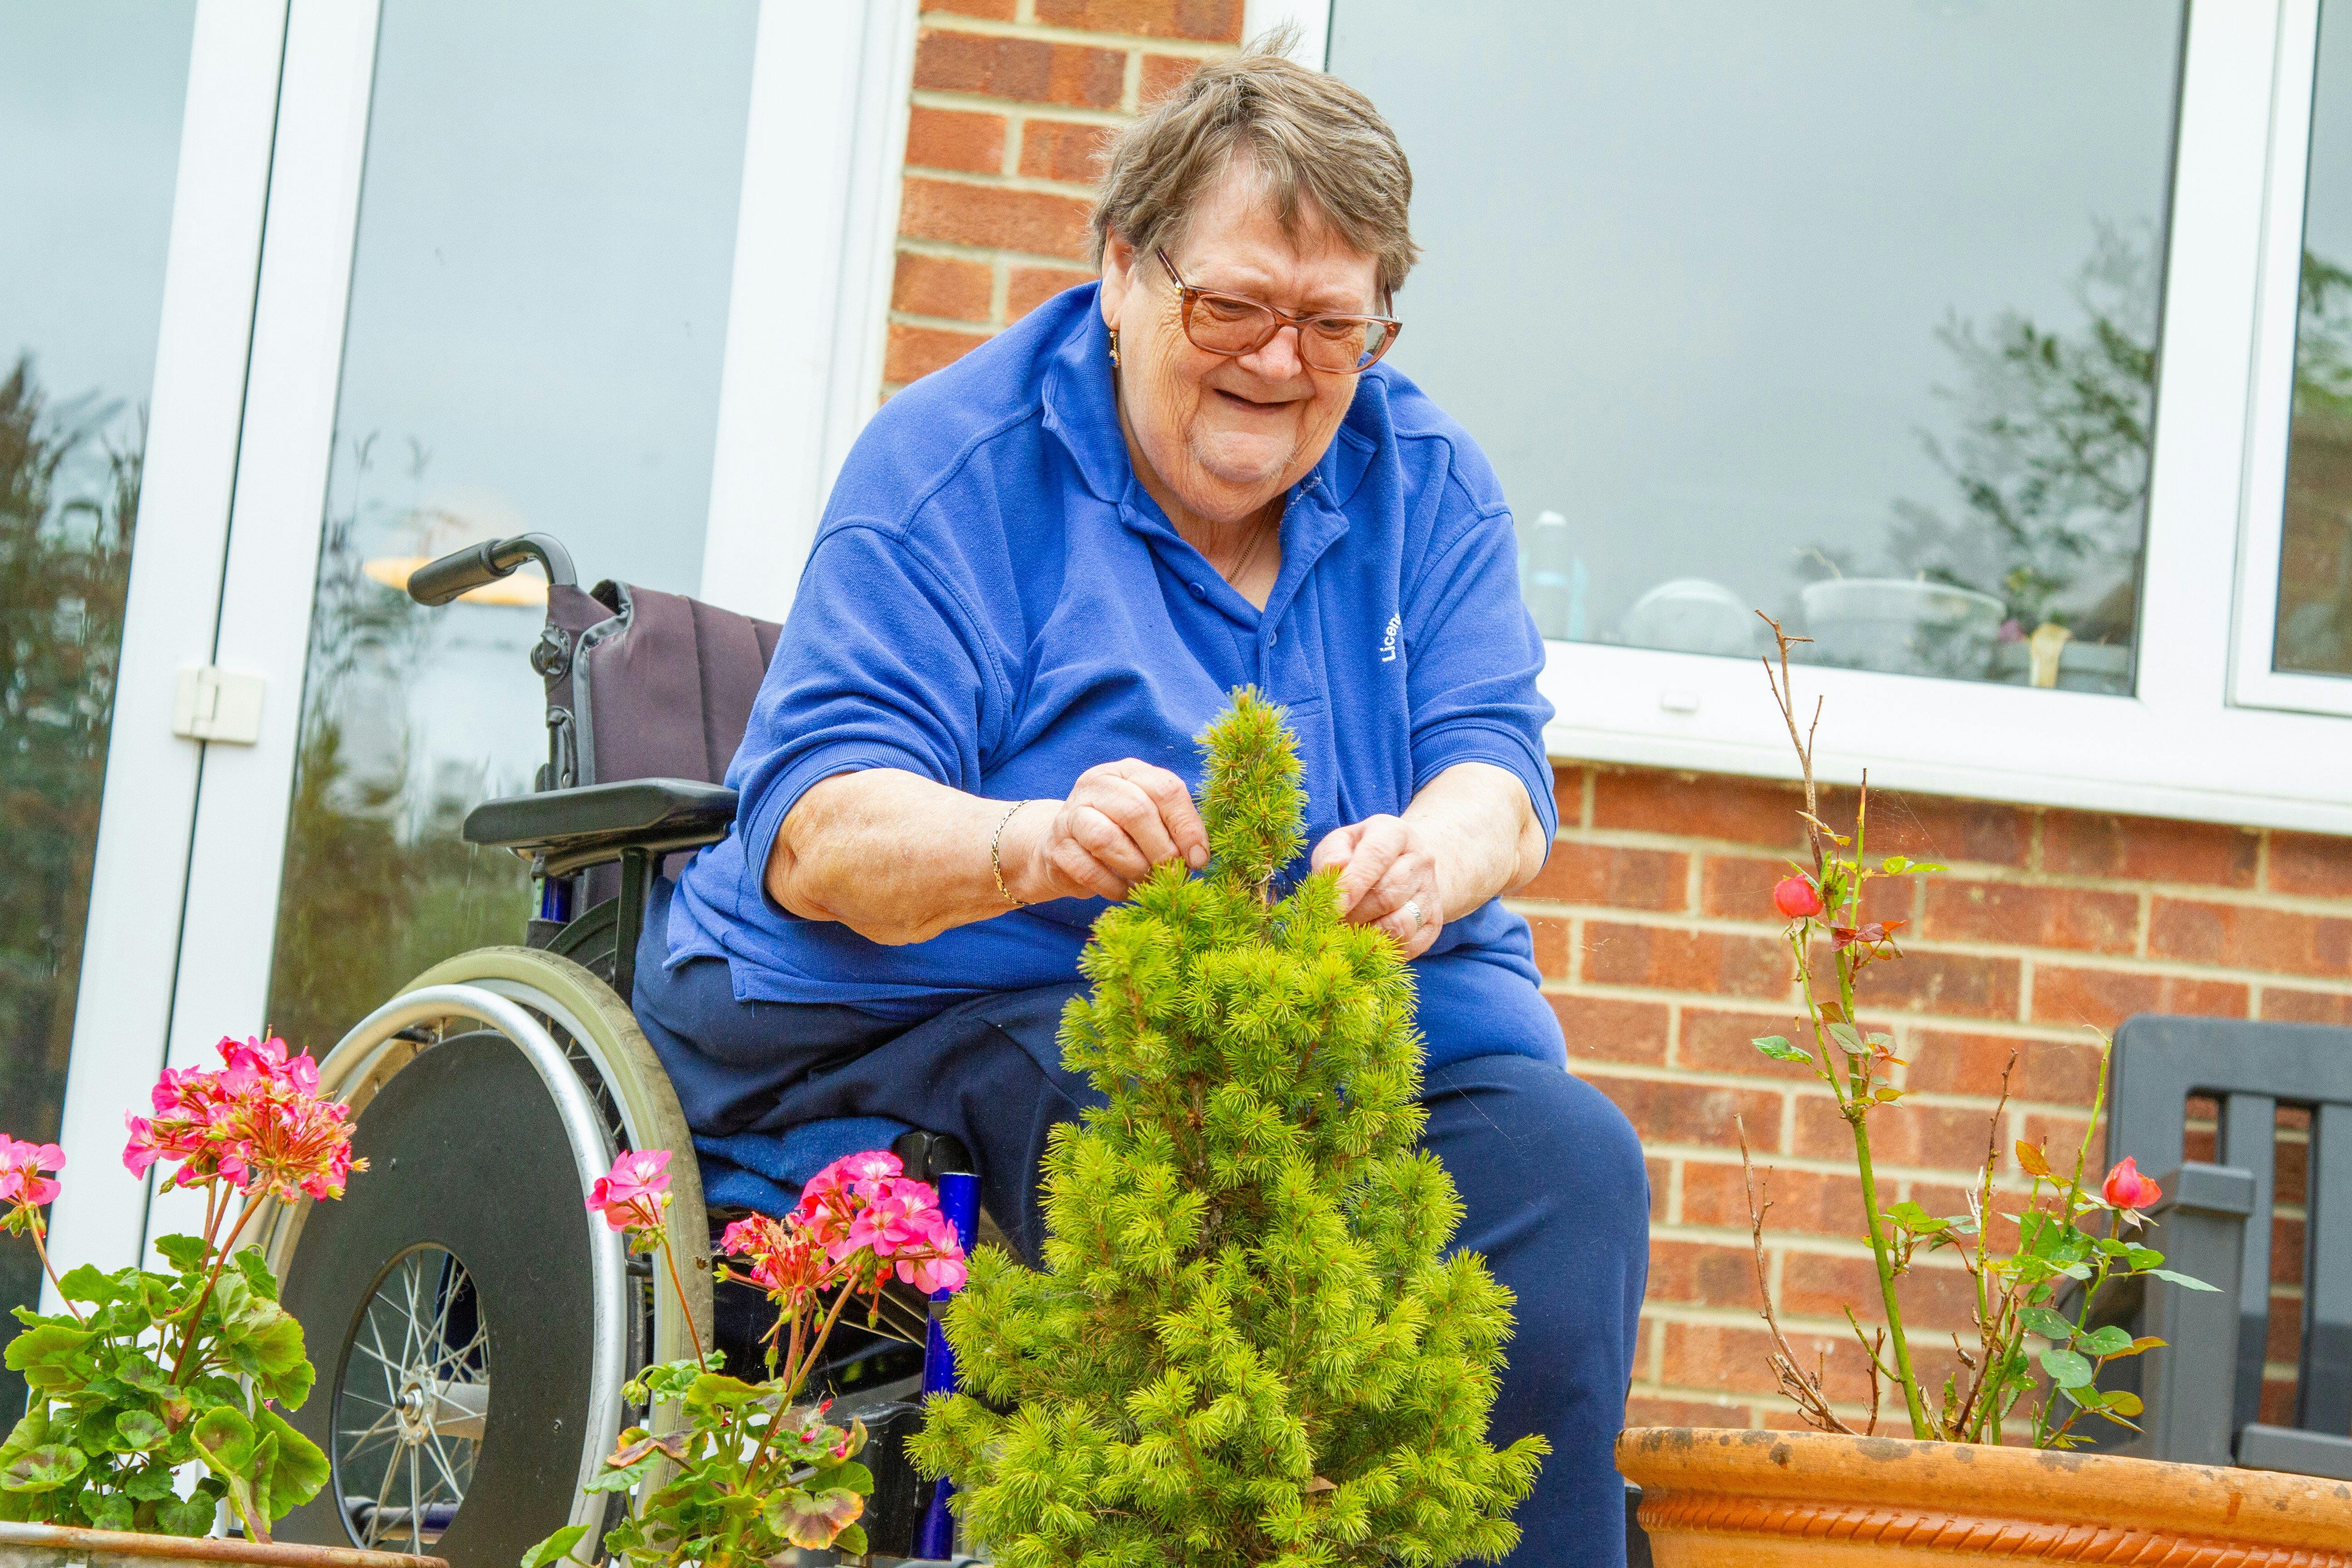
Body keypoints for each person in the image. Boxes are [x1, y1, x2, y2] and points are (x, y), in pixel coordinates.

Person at [632, 39, 1649, 1565]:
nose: (1283, 360)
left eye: (1334, 322)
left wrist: (1431, 861)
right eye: (1233, 305)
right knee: (1170, 1146)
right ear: (1121, 268)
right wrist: (1028, 843)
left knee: (1571, 1168)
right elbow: (819, 830)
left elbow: (1499, 774)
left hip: (1347, 1038)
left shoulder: (1427, 483)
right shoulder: (954, 469)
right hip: (953, 1019)